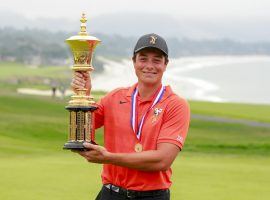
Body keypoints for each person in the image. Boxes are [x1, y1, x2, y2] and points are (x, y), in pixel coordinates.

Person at [71, 33, 190, 200]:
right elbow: (81, 132)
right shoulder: (114, 98)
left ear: (165, 64)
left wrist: (109, 158)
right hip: (110, 194)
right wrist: (84, 95)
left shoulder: (175, 105)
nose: (149, 65)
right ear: (134, 62)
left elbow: (163, 160)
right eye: (143, 59)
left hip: (151, 196)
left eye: (156, 60)